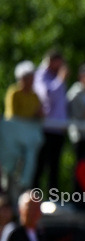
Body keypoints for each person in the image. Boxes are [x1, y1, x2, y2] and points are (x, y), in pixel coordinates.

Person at [1, 62, 44, 195]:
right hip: (12, 140)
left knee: (27, 166)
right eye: (27, 78)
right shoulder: (14, 92)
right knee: (9, 169)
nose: (30, 81)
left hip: (28, 138)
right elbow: (14, 114)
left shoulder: (34, 95)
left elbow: (39, 113)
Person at [33, 49, 69, 192]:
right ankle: (34, 196)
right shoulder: (41, 76)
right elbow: (47, 96)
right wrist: (60, 80)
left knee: (55, 166)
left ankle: (53, 197)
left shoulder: (57, 77)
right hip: (45, 128)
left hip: (58, 128)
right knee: (40, 164)